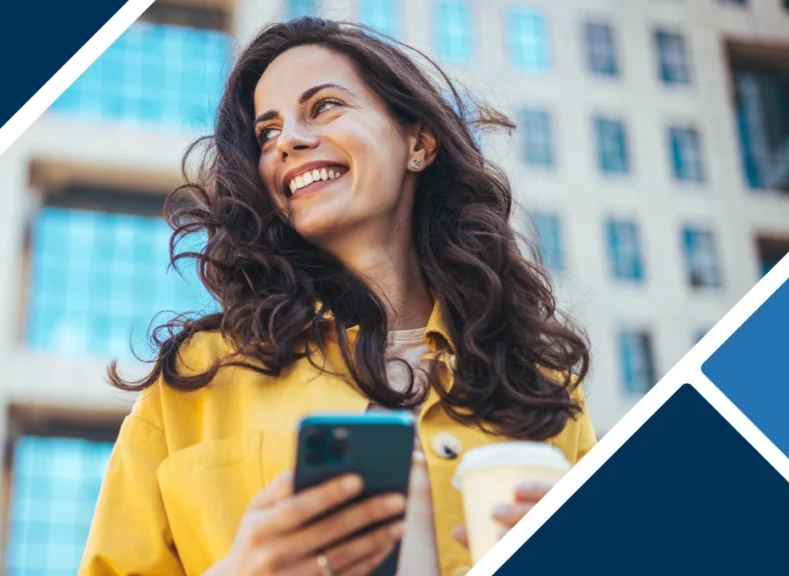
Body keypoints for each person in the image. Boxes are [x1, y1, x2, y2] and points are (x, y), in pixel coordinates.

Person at [79, 16, 596, 576]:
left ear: (418, 142)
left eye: (323, 106)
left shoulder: (540, 385)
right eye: (267, 133)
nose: (287, 142)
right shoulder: (196, 380)